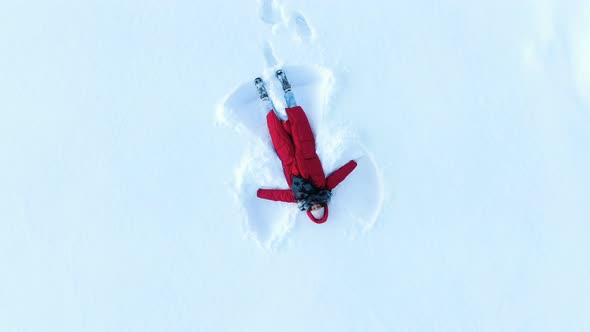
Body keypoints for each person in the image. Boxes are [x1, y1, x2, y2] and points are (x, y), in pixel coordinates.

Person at [254, 69, 357, 224]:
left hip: (287, 155)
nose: (316, 206)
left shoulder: (297, 197)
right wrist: (353, 165)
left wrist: (261, 193)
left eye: (314, 209)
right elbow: (338, 177)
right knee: (297, 117)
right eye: (319, 207)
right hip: (305, 148)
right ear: (324, 205)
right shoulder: (325, 188)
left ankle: (264, 96)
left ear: (309, 210)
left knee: (274, 124)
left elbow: (279, 196)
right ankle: (286, 87)